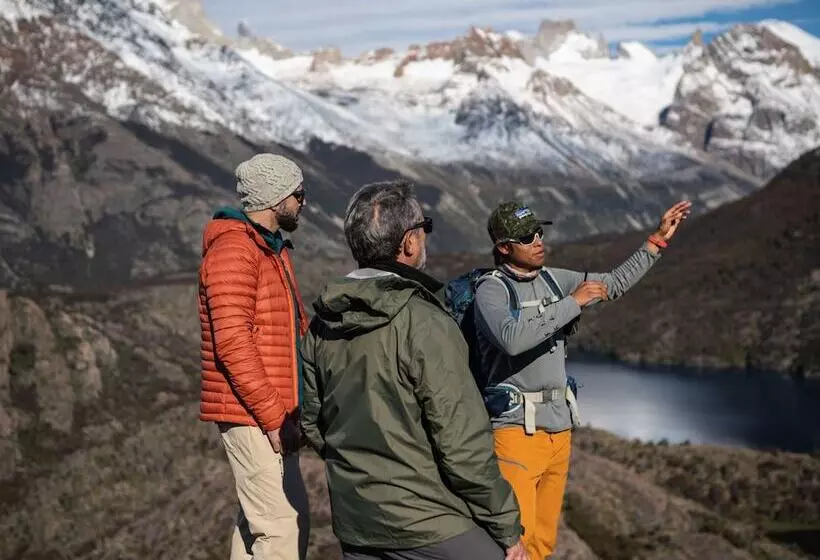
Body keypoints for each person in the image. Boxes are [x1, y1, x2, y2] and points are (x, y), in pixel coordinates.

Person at [300, 180, 529, 560]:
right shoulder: (424, 322)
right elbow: (462, 445)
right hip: (430, 523)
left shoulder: (323, 324)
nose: (425, 238)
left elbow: (313, 423)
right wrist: (506, 528)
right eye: (425, 228)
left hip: (358, 523)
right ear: (409, 243)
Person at [472, 199, 692, 559]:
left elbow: (613, 283)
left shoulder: (553, 279)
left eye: (539, 232)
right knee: (515, 542)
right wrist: (572, 303)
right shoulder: (491, 289)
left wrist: (657, 240)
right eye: (527, 237)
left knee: (543, 542)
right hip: (516, 433)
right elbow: (511, 339)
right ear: (504, 247)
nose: (538, 241)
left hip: (559, 431)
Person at [198, 153, 311, 560]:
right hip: (252, 412)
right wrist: (274, 417)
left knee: (261, 526)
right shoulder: (234, 250)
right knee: (280, 528)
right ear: (275, 197)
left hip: (272, 411)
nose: (303, 202)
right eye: (298, 194)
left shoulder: (270, 249)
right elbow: (233, 344)